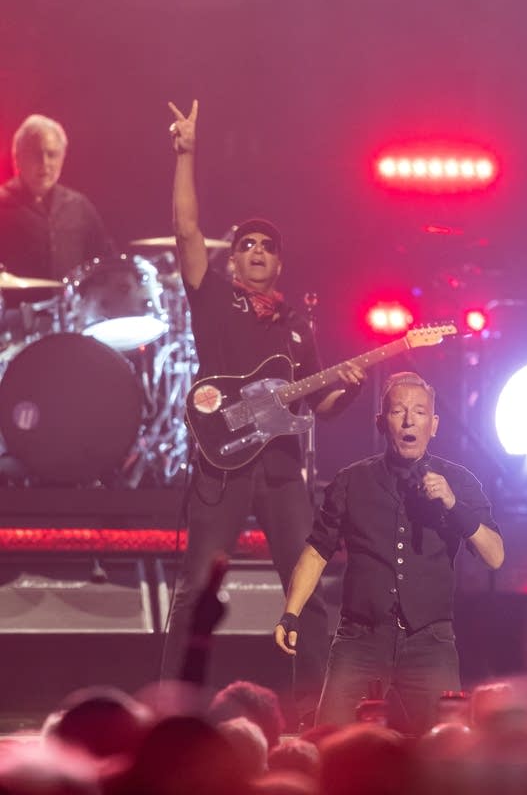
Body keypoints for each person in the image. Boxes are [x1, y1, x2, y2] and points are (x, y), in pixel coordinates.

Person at [161, 100, 365, 717]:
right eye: (245, 244)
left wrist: (351, 384)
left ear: (278, 263)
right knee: (198, 588)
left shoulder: (298, 330)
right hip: (223, 468)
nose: (255, 251)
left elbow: (323, 405)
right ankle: (173, 710)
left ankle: (324, 711)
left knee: (306, 589)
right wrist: (187, 153)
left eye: (266, 247)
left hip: (281, 473)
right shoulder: (215, 302)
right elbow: (186, 232)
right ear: (232, 259)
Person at [275, 371, 504, 736]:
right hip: (360, 640)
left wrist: (453, 503)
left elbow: (495, 556)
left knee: (446, 747)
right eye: (399, 412)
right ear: (382, 423)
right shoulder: (351, 481)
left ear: (434, 424)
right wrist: (290, 614)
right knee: (329, 742)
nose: (409, 420)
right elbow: (317, 551)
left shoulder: (459, 482)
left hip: (429, 641)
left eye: (419, 412)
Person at [0, 113, 114, 284]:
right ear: (18, 158)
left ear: (62, 157)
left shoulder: (79, 206)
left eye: (52, 154)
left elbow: (107, 261)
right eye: (36, 154)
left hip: (71, 309)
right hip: (15, 309)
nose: (45, 163)